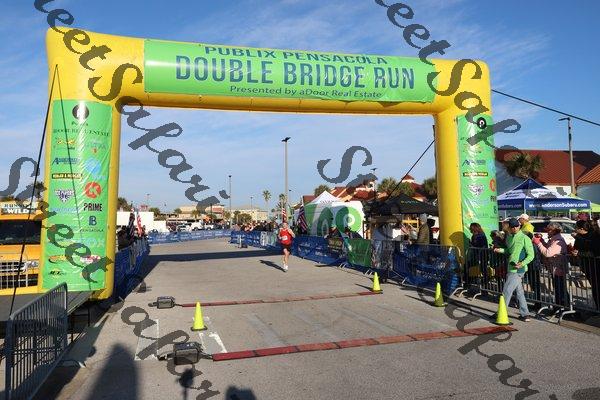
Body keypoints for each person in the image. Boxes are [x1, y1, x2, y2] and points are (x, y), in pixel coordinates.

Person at [493, 218, 535, 321]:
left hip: (518, 270)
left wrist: (522, 264)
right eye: (512, 227)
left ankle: (500, 313)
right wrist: (499, 250)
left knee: (506, 291)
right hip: (511, 267)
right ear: (509, 228)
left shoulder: (525, 238)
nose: (515, 228)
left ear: (519, 226)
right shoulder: (509, 238)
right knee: (519, 292)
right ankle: (525, 314)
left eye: (517, 226)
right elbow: (509, 251)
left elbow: (531, 255)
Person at [532, 222, 569, 307]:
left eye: (549, 230)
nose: (547, 232)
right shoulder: (553, 240)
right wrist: (542, 241)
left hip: (558, 269)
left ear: (554, 231)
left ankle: (563, 306)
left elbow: (548, 253)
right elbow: (548, 248)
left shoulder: (558, 241)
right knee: (558, 289)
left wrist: (539, 243)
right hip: (554, 269)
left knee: (560, 289)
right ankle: (559, 306)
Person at [573, 220, 600, 309]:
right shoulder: (579, 236)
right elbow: (576, 247)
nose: (575, 229)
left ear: (581, 228)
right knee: (595, 288)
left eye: (576, 227)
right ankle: (597, 308)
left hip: (595, 266)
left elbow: (595, 251)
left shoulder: (594, 236)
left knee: (597, 288)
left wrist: (580, 253)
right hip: (587, 266)